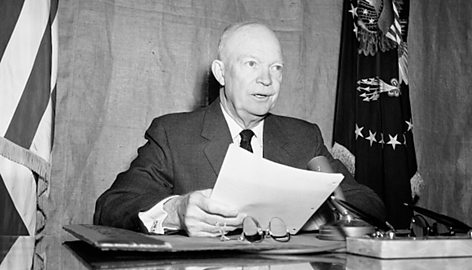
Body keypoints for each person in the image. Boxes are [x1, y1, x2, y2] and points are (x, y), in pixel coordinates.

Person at [93, 21, 385, 237]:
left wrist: (321, 213)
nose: (266, 80)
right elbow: (111, 206)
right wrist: (176, 212)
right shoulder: (172, 134)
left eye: (276, 68)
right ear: (221, 72)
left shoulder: (303, 137)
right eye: (251, 64)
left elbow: (368, 203)